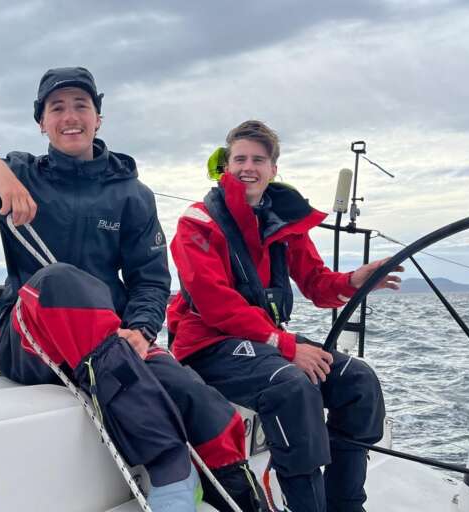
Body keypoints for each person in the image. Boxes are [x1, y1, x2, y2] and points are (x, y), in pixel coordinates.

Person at [0, 68, 265, 511]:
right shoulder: (16, 174)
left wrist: (141, 330)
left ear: (98, 118)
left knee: (197, 396)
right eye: (57, 108)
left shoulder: (132, 194)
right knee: (60, 280)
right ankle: (170, 470)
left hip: (109, 344)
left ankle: (245, 500)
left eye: (81, 106)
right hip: (28, 344)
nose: (70, 117)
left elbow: (150, 279)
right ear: (41, 122)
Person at [168, 120, 401, 512]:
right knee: (291, 387)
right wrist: (286, 345)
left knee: (358, 382)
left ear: (274, 169)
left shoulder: (283, 223)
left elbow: (315, 283)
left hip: (264, 343)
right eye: (239, 158)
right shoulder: (197, 222)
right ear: (226, 166)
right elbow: (213, 302)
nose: (248, 167)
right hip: (206, 346)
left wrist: (354, 282)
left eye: (259, 159)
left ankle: (345, 504)